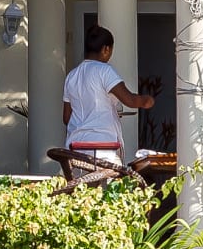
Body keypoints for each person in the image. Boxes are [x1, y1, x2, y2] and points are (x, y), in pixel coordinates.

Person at [63, 25, 157, 167]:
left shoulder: (71, 76)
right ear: (106, 49)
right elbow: (130, 100)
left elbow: (66, 117)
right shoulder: (104, 71)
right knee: (119, 180)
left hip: (74, 149)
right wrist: (147, 100)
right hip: (102, 148)